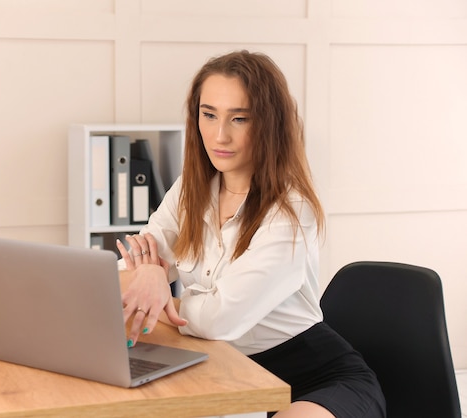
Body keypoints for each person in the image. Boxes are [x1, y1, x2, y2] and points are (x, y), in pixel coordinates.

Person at [115, 50, 386, 418]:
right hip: (229, 369)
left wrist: (160, 293)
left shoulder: (291, 210)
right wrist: (148, 273)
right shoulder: (190, 190)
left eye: (239, 118)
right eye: (208, 115)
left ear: (269, 124)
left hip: (317, 377)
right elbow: (126, 274)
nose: (219, 135)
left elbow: (218, 320)